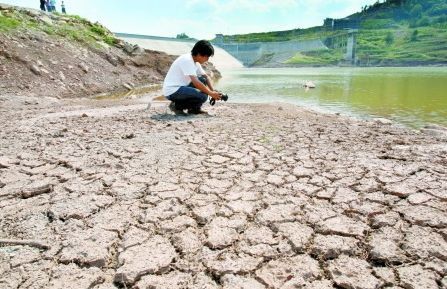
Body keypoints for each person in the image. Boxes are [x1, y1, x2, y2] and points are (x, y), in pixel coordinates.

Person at [162, 40, 221, 115]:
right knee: (203, 96)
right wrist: (210, 93)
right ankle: (177, 106)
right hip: (173, 90)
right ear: (199, 54)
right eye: (207, 57)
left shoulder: (195, 62)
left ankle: (194, 109)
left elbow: (205, 77)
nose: (207, 59)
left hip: (181, 88)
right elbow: (196, 83)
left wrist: (213, 91)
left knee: (202, 80)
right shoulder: (187, 60)